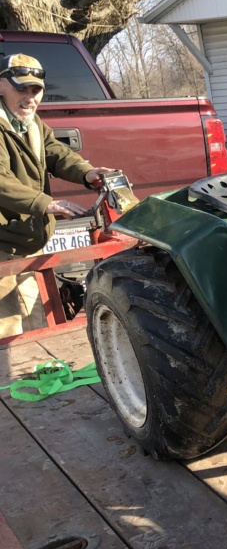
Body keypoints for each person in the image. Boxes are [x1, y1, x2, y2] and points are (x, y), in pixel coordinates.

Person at [0, 52, 116, 337]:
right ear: (1, 85)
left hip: (25, 239)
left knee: (34, 318)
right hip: (3, 242)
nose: (30, 98)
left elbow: (57, 153)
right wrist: (47, 204)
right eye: (21, 89)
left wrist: (87, 173)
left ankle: (37, 374)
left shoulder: (31, 123)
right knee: (7, 329)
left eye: (35, 89)